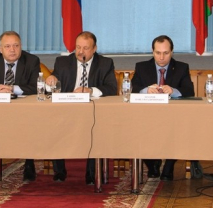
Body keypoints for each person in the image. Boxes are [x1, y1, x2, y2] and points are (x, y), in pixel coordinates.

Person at [45, 31, 117, 184]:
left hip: (92, 112)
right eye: (78, 47)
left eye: (85, 48)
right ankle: (59, 171)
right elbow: (53, 86)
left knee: (96, 128)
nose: (80, 52)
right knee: (52, 125)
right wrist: (50, 81)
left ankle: (91, 174)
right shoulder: (62, 62)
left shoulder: (105, 63)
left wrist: (90, 90)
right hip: (66, 110)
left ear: (94, 49)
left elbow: (111, 88)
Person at [0, 30, 40, 181]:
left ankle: (29, 163)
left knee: (30, 123)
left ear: (21, 46)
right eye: (8, 46)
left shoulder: (31, 61)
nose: (12, 50)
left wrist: (12, 89)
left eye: (16, 46)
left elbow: (36, 86)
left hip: (23, 110)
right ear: (0, 49)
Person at [131, 35, 194, 181]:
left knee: (179, 129)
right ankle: (152, 164)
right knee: (136, 128)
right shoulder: (142, 67)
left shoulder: (181, 67)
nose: (161, 57)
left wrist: (173, 90)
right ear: (152, 51)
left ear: (172, 52)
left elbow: (190, 91)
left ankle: (168, 167)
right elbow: (134, 88)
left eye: (165, 53)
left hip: (173, 116)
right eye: (158, 53)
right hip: (147, 115)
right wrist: (146, 90)